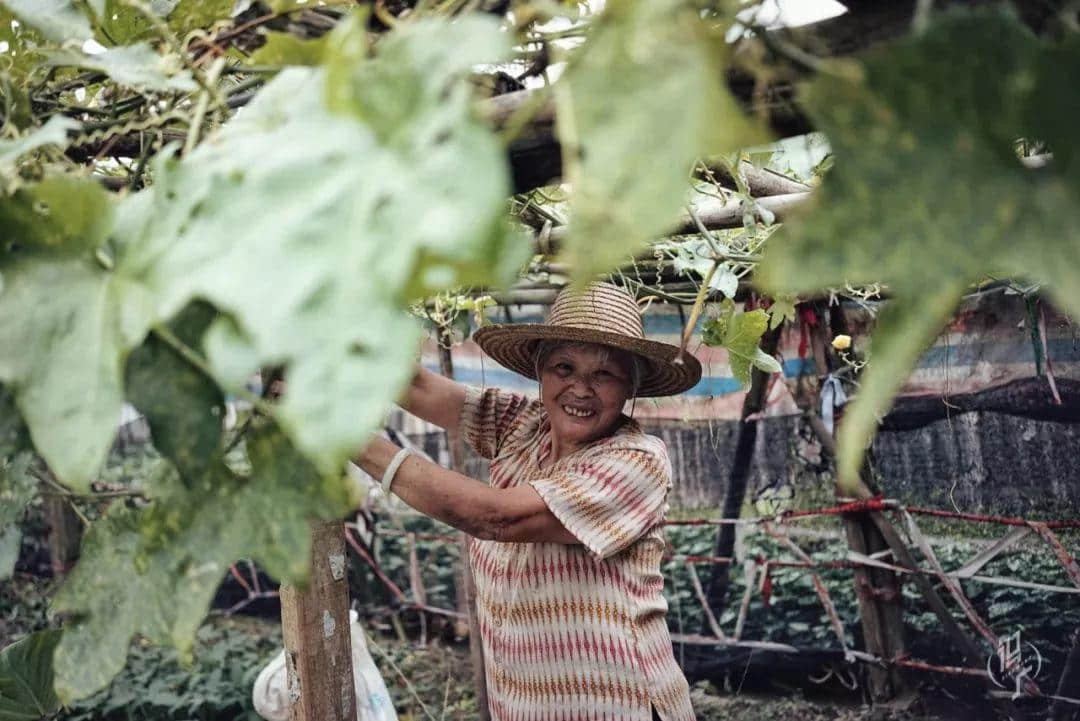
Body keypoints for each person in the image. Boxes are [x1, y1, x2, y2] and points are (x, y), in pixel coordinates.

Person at [353, 282, 702, 721]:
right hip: (526, 704)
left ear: (631, 387)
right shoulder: (524, 427)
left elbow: (493, 517)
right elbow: (418, 388)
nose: (580, 389)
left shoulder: (636, 461)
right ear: (540, 372)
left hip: (617, 703)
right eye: (564, 367)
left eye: (604, 374)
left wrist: (348, 439)